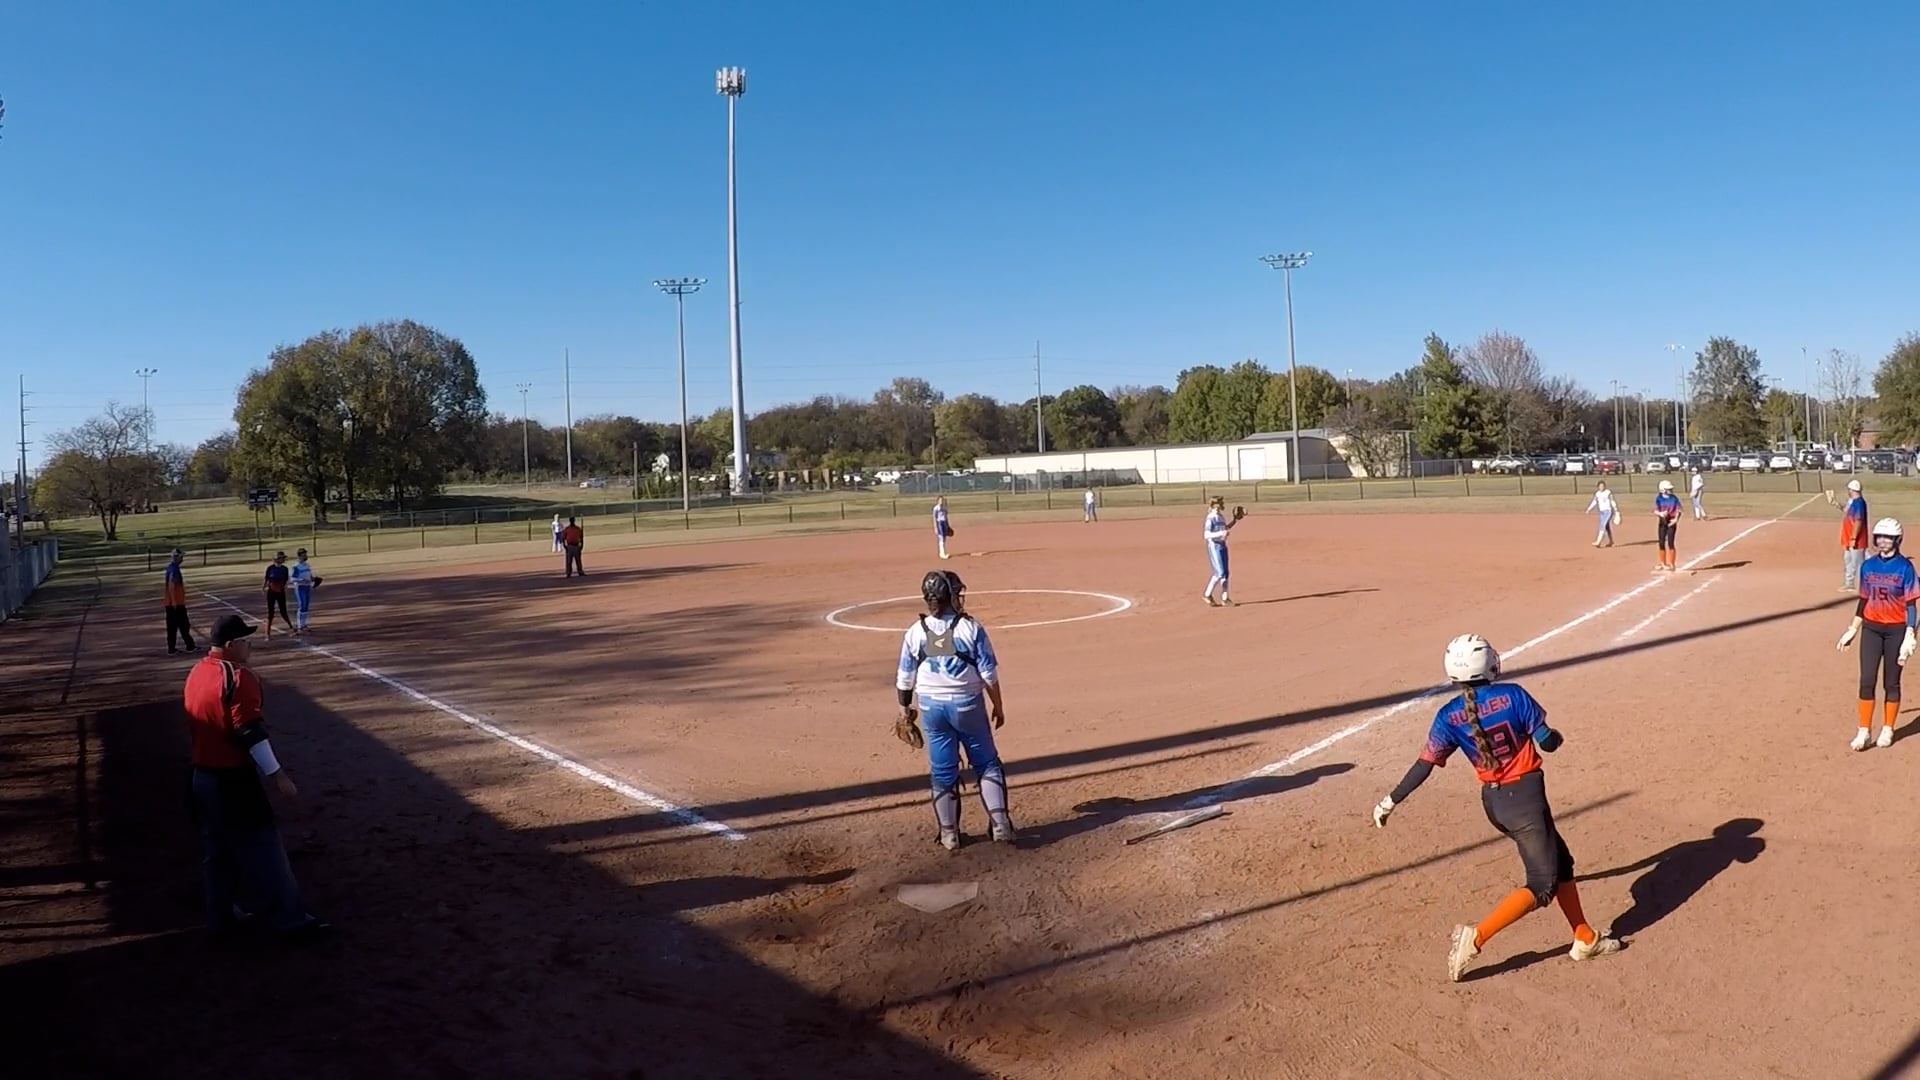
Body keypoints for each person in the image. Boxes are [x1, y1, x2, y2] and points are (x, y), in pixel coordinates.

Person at [1370, 634, 1622, 981]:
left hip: (1496, 803)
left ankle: (1585, 938)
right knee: (1542, 884)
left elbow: (1425, 763)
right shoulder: (1514, 696)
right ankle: (1475, 938)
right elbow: (1547, 742)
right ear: (1489, 664)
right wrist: (1557, 737)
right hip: (1526, 801)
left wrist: (1390, 800)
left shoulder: (1447, 716)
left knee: (1562, 862)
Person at [183, 613, 332, 943]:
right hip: (233, 781)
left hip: (201, 778)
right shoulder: (239, 677)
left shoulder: (196, 672)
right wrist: (277, 774)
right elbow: (249, 731)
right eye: (245, 641)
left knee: (218, 851)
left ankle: (221, 917)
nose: (249, 646)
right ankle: (291, 920)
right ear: (230, 645)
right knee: (266, 848)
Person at [895, 570, 1012, 850]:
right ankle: (1001, 826)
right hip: (968, 705)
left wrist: (904, 711)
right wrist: (998, 706)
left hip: (931, 709)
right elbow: (989, 676)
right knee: (987, 764)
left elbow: (904, 680)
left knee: (942, 770)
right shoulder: (971, 628)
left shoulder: (914, 632)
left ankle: (949, 835)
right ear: (950, 596)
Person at [1836, 517, 1918, 751]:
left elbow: (1911, 605)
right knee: (1866, 680)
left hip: (1896, 630)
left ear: (1897, 540)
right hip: (1872, 628)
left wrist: (1910, 633)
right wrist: (1853, 628)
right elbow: (1864, 600)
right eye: (1880, 537)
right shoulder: (1868, 566)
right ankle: (1864, 731)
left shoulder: (1905, 567)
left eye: (1888, 538)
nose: (1882, 541)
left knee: (1891, 682)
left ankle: (1888, 728)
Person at [1202, 495, 1238, 607]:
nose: (1220, 505)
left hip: (1222, 545)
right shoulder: (1210, 518)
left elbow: (1224, 529)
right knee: (1219, 573)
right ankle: (1207, 594)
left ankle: (1225, 598)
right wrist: (1221, 533)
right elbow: (1206, 535)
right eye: (1218, 503)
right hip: (1214, 546)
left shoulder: (1221, 517)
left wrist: (1234, 521)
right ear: (1213, 505)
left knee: (1225, 573)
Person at [164, 548, 197, 655]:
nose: (182, 559)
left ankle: (172, 648)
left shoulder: (171, 568)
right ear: (177, 557)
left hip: (171, 603)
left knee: (172, 627)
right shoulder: (174, 569)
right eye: (181, 557)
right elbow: (171, 584)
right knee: (183, 625)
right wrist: (174, 601)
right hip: (176, 603)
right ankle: (190, 646)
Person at [1839, 479, 1869, 593]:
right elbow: (1846, 511)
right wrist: (1836, 504)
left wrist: (1853, 538)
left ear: (1852, 490)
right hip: (1848, 538)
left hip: (1857, 540)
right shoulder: (1852, 502)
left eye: (1849, 489)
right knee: (1848, 560)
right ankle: (1849, 584)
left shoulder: (1859, 503)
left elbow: (1858, 521)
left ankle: (1863, 587)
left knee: (1859, 563)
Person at [289, 548, 321, 634]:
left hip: (307, 587)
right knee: (302, 605)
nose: (306, 556)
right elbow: (292, 579)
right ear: (299, 556)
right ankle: (300, 625)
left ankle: (304, 624)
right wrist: (301, 580)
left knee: (306, 606)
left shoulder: (307, 565)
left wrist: (314, 579)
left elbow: (309, 576)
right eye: (304, 555)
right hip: (300, 587)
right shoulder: (296, 566)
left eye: (306, 554)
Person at [262, 551, 294, 639]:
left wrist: (284, 588)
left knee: (283, 611)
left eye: (283, 558)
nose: (283, 559)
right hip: (271, 592)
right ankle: (267, 634)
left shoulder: (285, 569)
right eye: (281, 558)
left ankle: (291, 628)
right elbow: (266, 579)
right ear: (277, 559)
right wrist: (263, 587)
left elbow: (285, 581)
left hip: (280, 592)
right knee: (270, 613)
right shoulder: (270, 568)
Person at [1652, 479, 1681, 571]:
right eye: (1668, 489)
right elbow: (1655, 510)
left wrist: (1676, 520)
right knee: (1661, 542)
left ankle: (1672, 563)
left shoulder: (1674, 498)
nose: (1671, 490)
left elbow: (1679, 510)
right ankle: (1662, 563)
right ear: (1663, 490)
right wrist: (1660, 514)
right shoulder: (1659, 499)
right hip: (1662, 522)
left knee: (1670, 543)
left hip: (1671, 522)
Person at [1585, 481, 1618, 548]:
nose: (1601, 487)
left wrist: (1615, 509)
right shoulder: (1597, 494)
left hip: (1608, 511)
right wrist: (1589, 509)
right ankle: (1611, 542)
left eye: (1603, 486)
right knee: (1606, 527)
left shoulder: (1608, 492)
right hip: (1602, 512)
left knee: (1602, 525)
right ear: (1598, 487)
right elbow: (1594, 501)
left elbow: (1612, 500)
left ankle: (1598, 541)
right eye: (1600, 486)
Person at [933, 496, 953, 560]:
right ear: (938, 501)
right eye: (940, 500)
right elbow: (934, 517)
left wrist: (948, 525)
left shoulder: (944, 508)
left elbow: (946, 517)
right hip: (939, 523)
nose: (941, 501)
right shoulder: (936, 508)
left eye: (942, 500)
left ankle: (942, 553)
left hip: (944, 523)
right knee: (941, 537)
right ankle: (942, 554)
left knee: (944, 538)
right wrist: (935, 527)